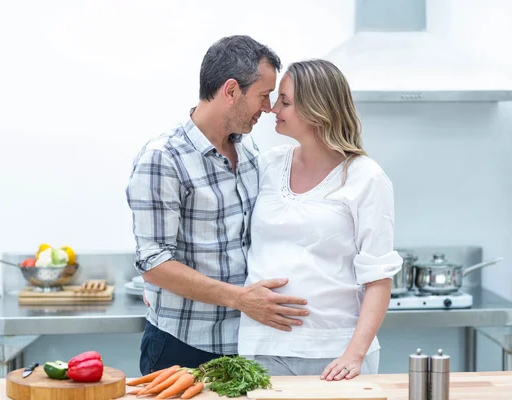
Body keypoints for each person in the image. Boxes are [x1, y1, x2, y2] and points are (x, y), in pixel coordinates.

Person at [126, 35, 309, 375]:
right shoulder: (163, 158)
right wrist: (240, 298)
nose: (268, 108)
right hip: (181, 346)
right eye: (263, 95)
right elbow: (153, 262)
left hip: (245, 343)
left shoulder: (250, 153)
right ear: (230, 91)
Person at [238, 59, 403, 380]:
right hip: (260, 347)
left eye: (285, 101)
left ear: (317, 110)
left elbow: (379, 278)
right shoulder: (266, 166)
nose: (273, 109)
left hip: (334, 355)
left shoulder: (366, 178)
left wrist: (353, 356)